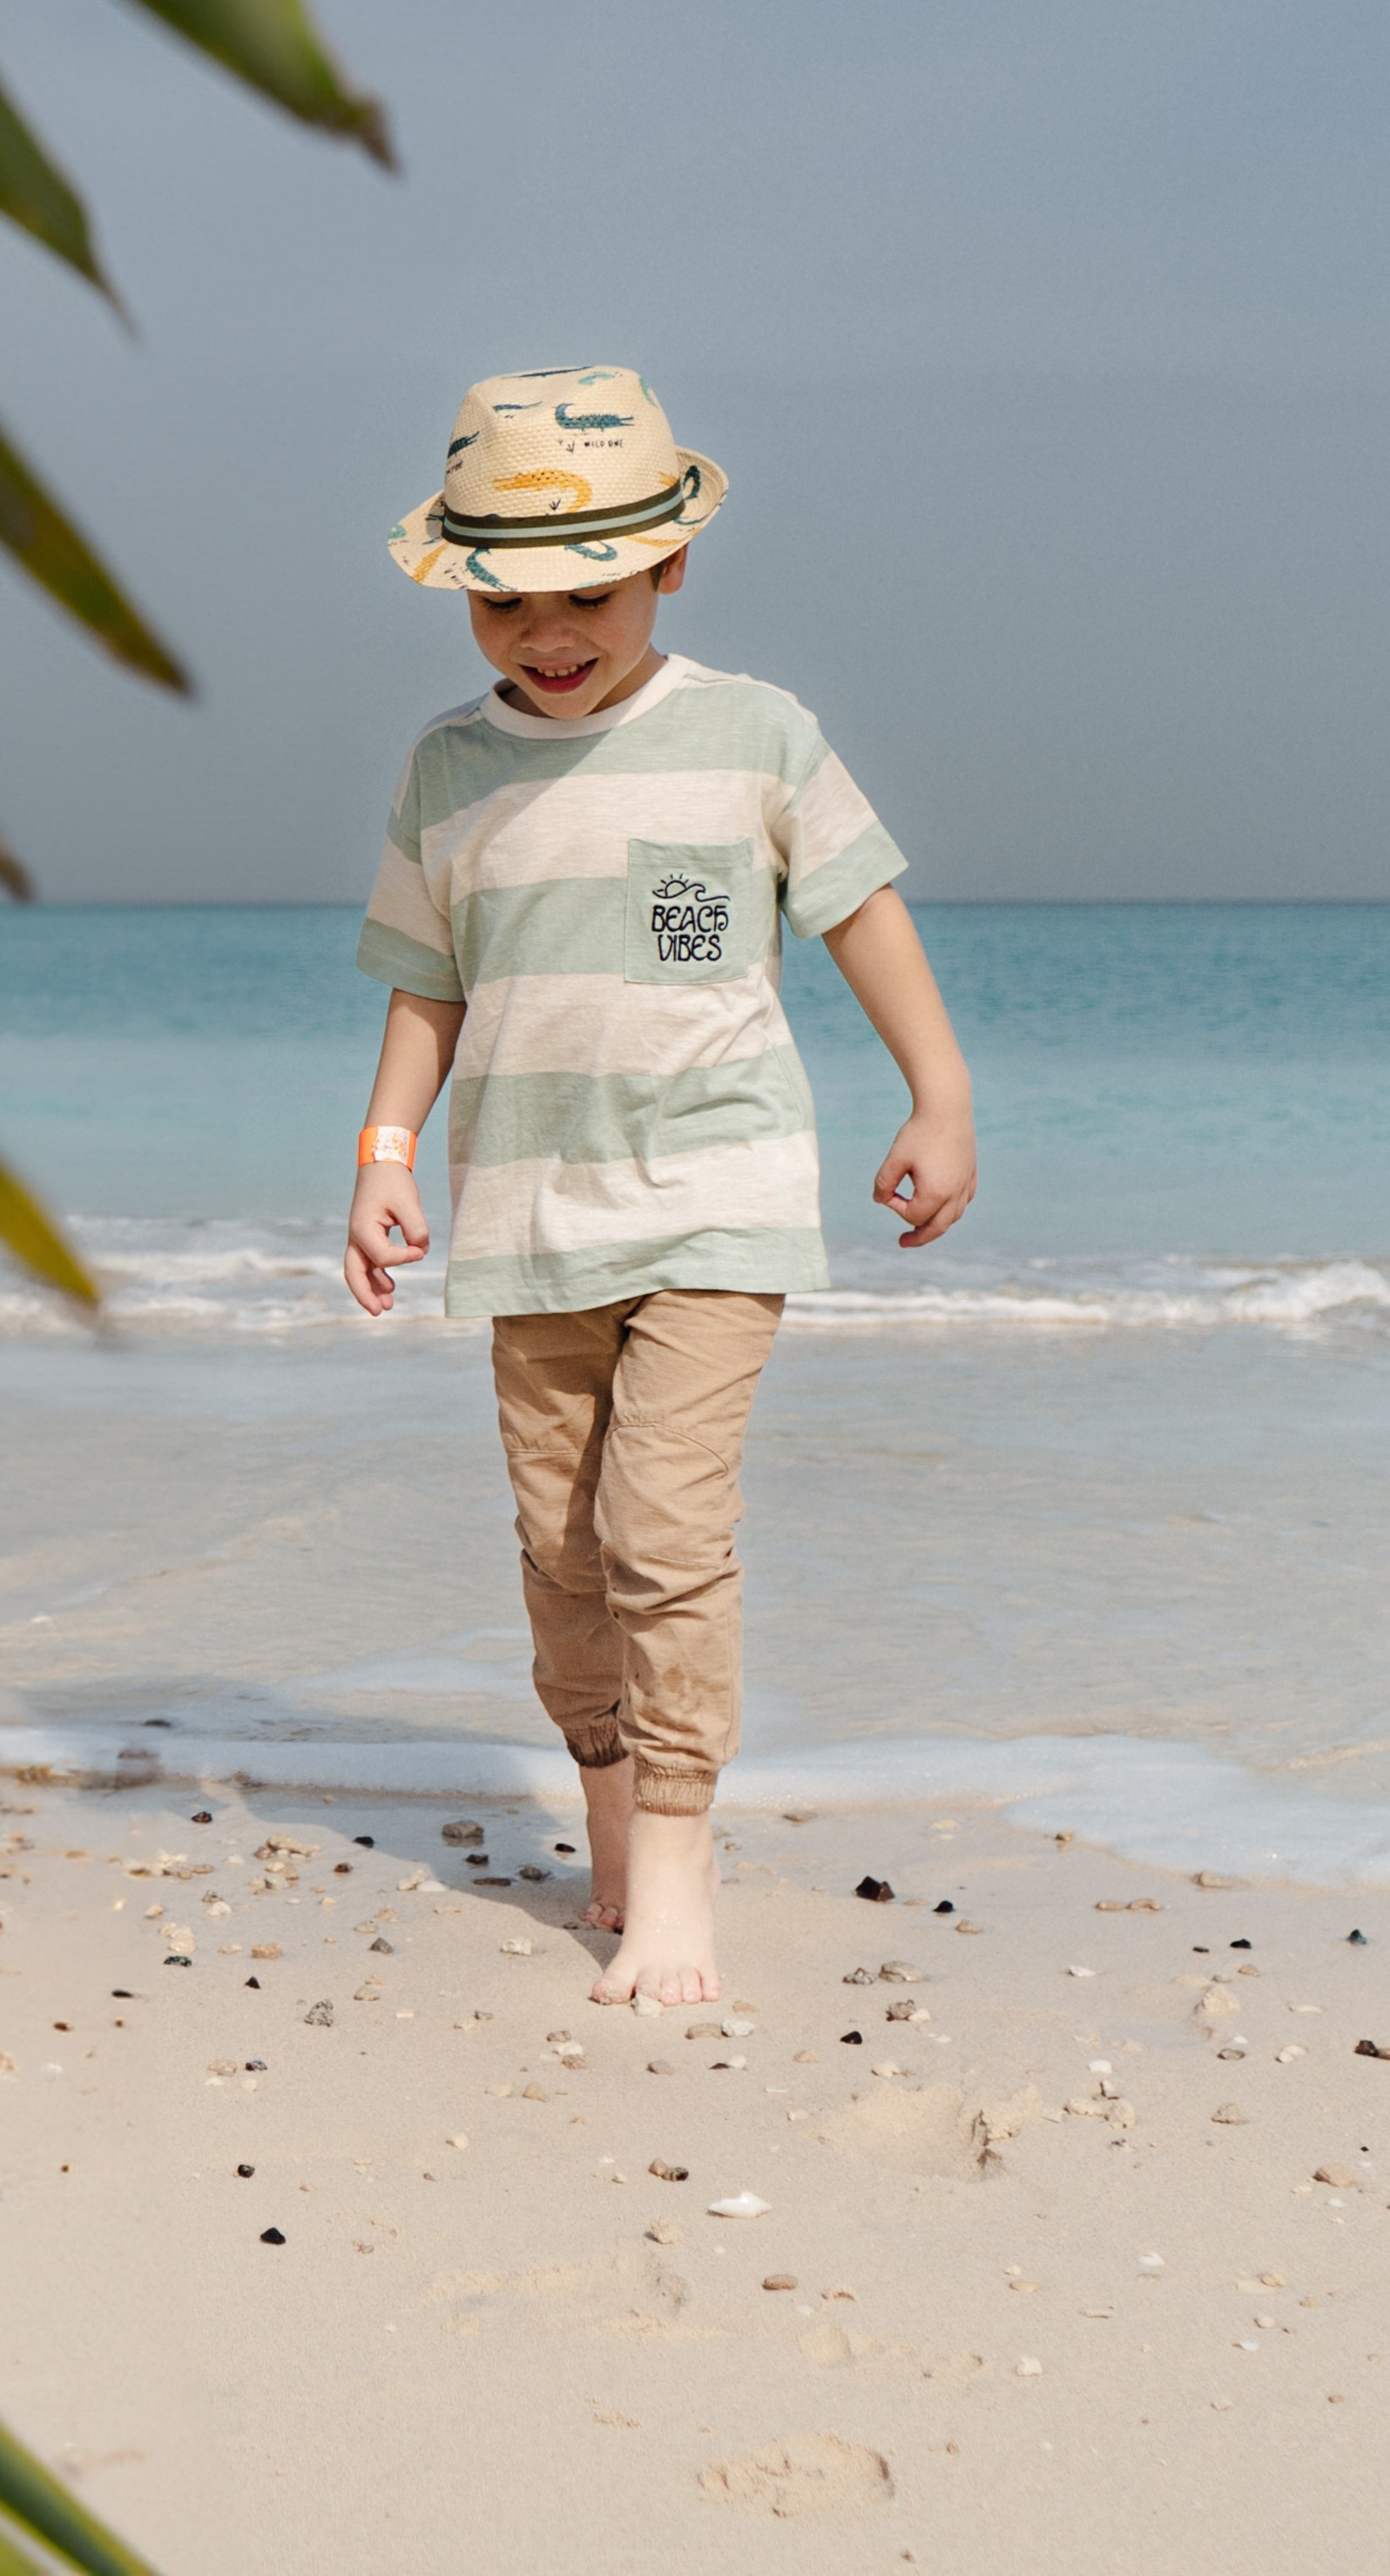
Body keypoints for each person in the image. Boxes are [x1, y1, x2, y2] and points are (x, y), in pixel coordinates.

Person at [344, 366, 975, 2007]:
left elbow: (857, 910)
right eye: (508, 604)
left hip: (715, 1199)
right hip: (528, 1224)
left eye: (590, 595)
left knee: (662, 1530)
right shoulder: (446, 772)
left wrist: (941, 1090)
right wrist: (384, 1157)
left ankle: (682, 1873)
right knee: (561, 1553)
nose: (551, 633)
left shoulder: (754, 734)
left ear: (669, 568)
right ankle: (610, 1824)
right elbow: (429, 986)